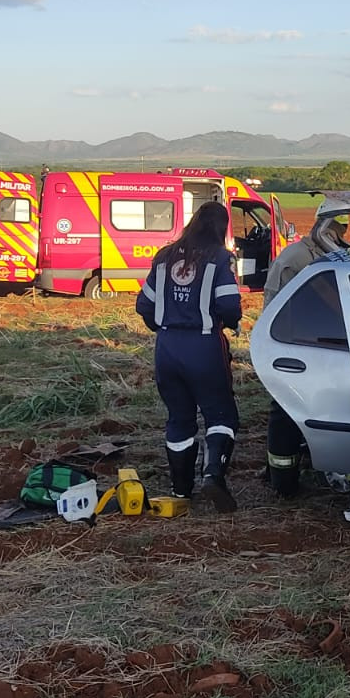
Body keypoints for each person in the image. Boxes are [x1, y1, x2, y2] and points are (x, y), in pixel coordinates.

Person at [135, 201, 242, 513]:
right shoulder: (221, 259)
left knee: (179, 418)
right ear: (222, 229)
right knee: (221, 414)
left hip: (166, 347)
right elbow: (229, 306)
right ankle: (213, 475)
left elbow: (145, 305)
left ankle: (181, 489)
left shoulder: (165, 257)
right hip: (204, 345)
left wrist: (165, 326)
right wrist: (230, 324)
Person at [261, 213, 349, 497]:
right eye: (340, 229)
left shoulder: (321, 254)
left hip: (312, 346)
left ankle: (282, 471)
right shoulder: (300, 260)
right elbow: (301, 309)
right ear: (328, 227)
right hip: (294, 348)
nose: (342, 234)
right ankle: (282, 481)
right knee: (288, 412)